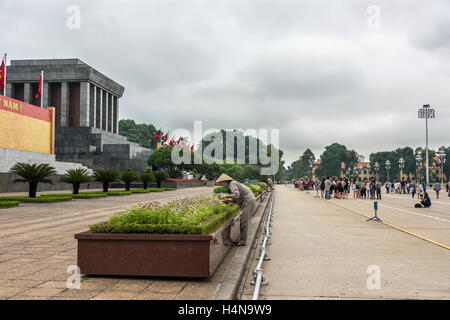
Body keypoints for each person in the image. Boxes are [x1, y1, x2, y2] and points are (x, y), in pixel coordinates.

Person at [215, 173, 256, 246]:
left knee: (244, 222)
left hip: (248, 201)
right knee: (244, 221)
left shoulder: (232, 183)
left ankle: (242, 241)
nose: (221, 185)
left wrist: (225, 196)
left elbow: (237, 194)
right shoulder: (231, 186)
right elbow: (236, 198)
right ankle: (242, 239)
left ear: (225, 181)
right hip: (247, 201)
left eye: (221, 183)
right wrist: (229, 201)